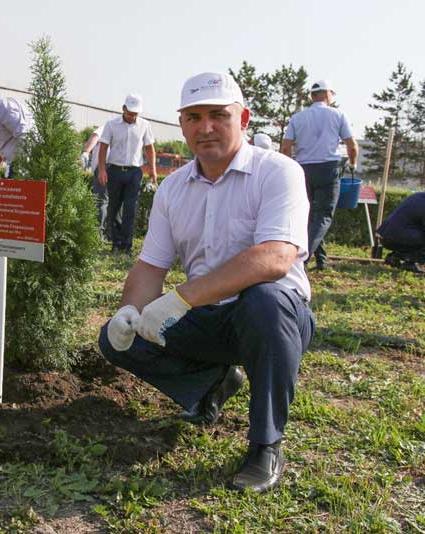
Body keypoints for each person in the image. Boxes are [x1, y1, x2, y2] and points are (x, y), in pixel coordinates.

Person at [99, 72, 315, 493]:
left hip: (274, 319)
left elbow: (275, 257)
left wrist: (179, 300)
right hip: (207, 316)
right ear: (181, 124)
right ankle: (213, 384)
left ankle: (265, 444)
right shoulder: (173, 189)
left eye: (219, 115)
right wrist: (129, 311)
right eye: (194, 117)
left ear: (244, 118)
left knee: (264, 300)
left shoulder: (278, 172)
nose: (206, 127)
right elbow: (149, 267)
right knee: (115, 339)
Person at [281, 80, 359, 270]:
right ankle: (300, 261)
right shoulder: (338, 115)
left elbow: (286, 146)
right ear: (326, 94)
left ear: (312, 96)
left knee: (308, 215)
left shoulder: (298, 117)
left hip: (303, 170)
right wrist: (353, 163)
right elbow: (352, 145)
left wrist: (289, 167)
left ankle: (321, 261)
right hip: (328, 169)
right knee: (323, 216)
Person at [97, 94, 157, 253]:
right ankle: (116, 244)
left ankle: (127, 245)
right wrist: (102, 170)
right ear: (123, 109)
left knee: (131, 209)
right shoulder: (111, 125)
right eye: (130, 113)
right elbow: (103, 148)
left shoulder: (145, 125)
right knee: (114, 208)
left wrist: (153, 171)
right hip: (115, 171)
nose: (132, 116)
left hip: (134, 173)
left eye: (135, 113)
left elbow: (149, 149)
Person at [81, 125, 121, 240]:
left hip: (104, 166)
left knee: (101, 201)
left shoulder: (107, 126)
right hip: (118, 167)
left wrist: (86, 152)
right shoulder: (121, 128)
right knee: (114, 202)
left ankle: (99, 235)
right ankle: (113, 236)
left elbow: (95, 136)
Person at [377, 192, 425, 273]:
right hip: (398, 237)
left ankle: (395, 257)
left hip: (384, 235)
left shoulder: (418, 196)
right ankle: (410, 263)